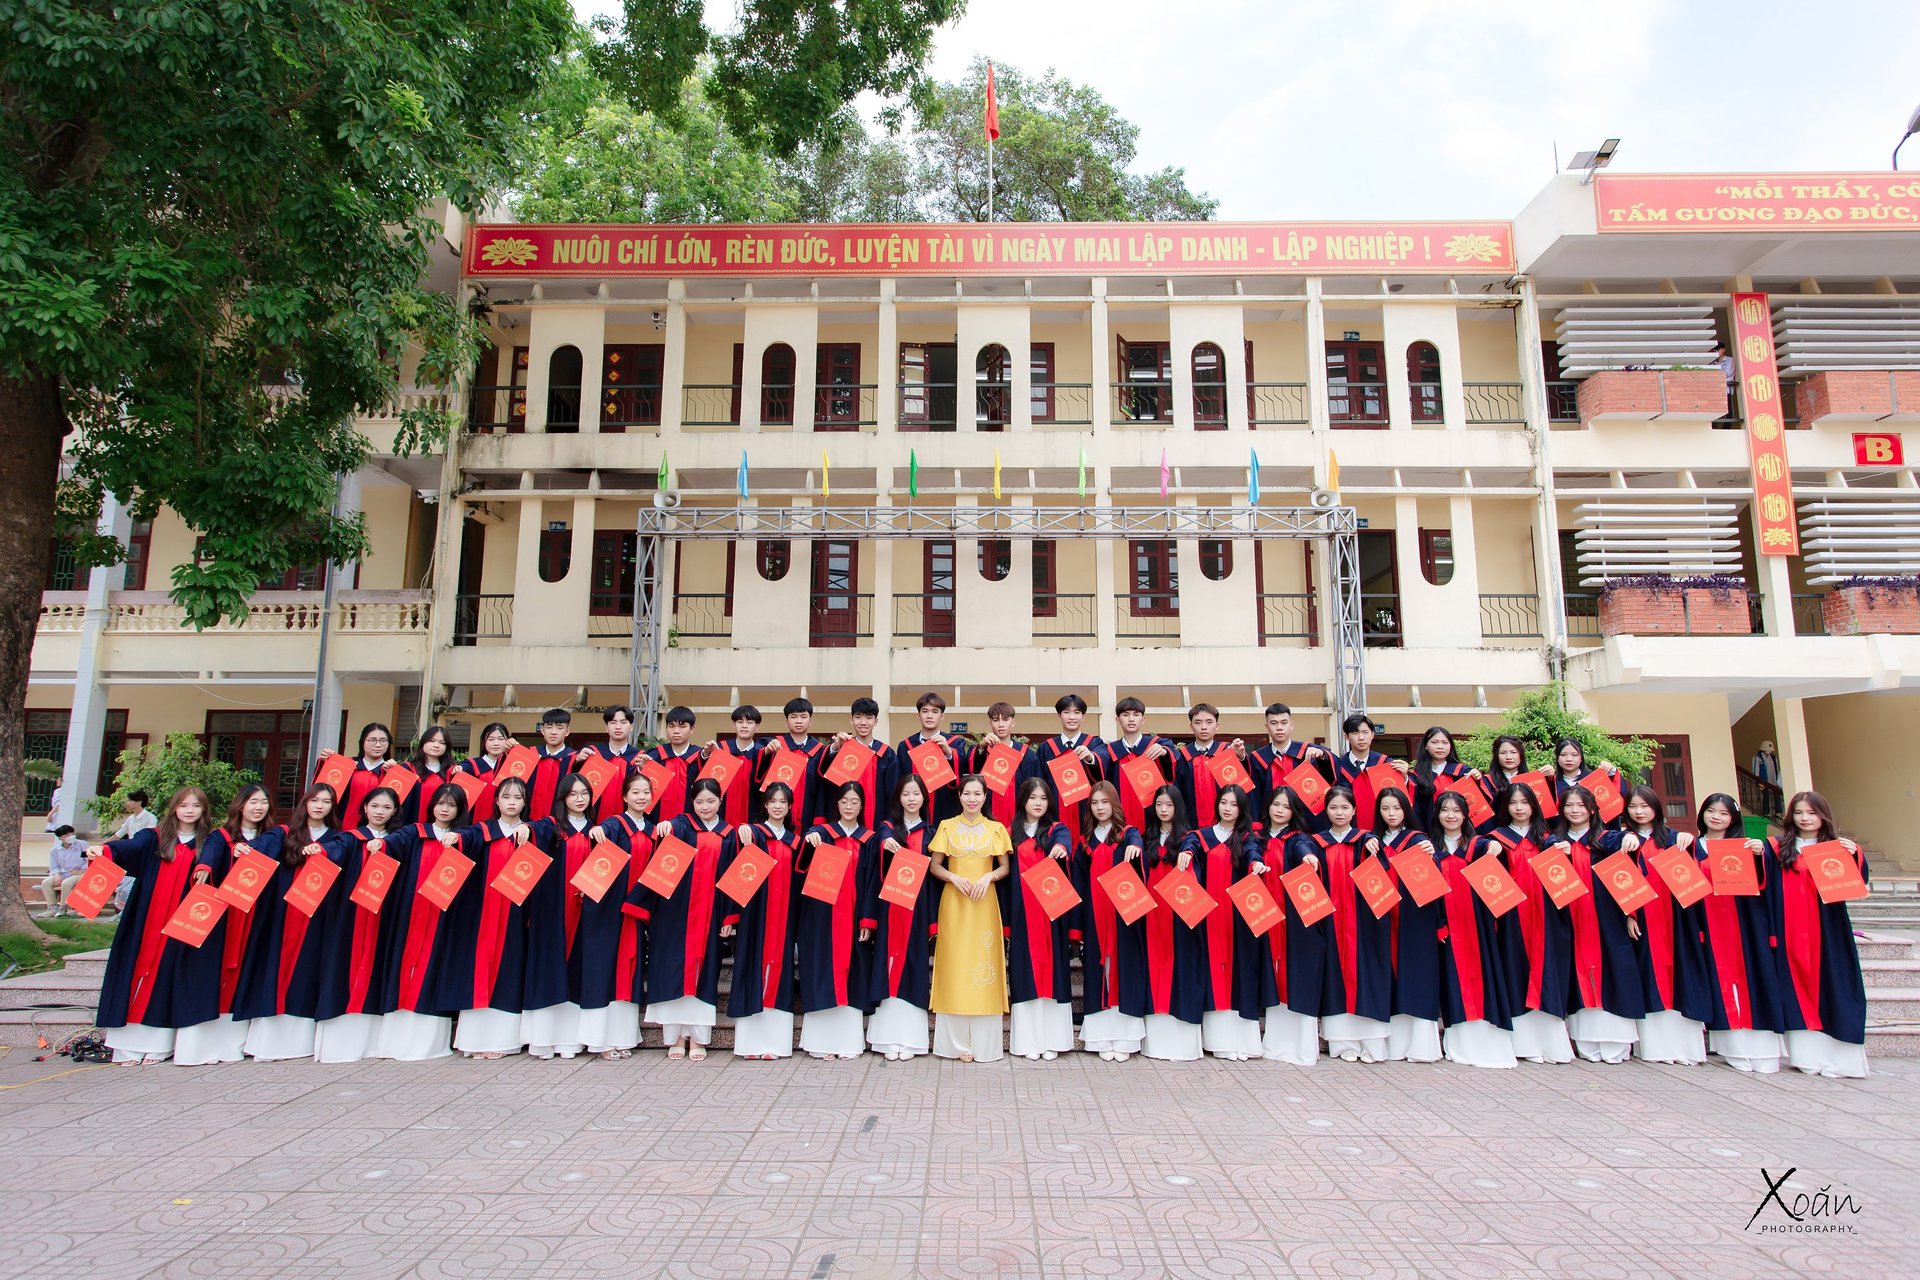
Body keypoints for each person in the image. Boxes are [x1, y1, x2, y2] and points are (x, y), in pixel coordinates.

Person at [90, 787, 213, 1064]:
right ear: (174, 809)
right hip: (146, 920)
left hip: (183, 923)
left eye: (195, 806)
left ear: (204, 810)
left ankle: (159, 1046)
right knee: (134, 972)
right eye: (183, 805)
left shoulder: (208, 843)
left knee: (167, 976)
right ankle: (126, 1047)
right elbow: (127, 848)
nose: (189, 811)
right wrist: (105, 849)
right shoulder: (154, 838)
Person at [235, 784, 345, 1062]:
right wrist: (241, 850)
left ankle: (300, 1042)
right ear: (305, 803)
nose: (320, 806)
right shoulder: (284, 834)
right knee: (276, 968)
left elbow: (342, 855)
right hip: (283, 913)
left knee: (307, 971)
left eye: (327, 801)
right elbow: (257, 849)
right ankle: (268, 1042)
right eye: (315, 800)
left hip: (316, 914)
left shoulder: (337, 838)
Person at [1763, 790, 1869, 1078]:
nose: (1805, 818)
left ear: (1823, 816)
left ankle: (1841, 1058)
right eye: (1799, 813)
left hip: (1828, 932)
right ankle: (1807, 1058)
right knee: (1795, 991)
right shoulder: (1776, 848)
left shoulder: (1837, 848)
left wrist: (1853, 856)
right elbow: (1762, 888)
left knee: (1834, 986)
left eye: (1811, 812)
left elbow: (1858, 885)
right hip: (1789, 932)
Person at [1605, 785, 1712, 1066]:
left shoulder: (1675, 838)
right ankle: (1652, 1047)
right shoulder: (1623, 840)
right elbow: (1619, 882)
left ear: (1656, 808)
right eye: (1633, 807)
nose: (1639, 812)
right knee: (1647, 975)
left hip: (1675, 918)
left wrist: (1691, 843)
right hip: (1643, 918)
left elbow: (1699, 869)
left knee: (1680, 973)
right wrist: (1629, 914)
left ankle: (1686, 1047)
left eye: (1645, 806)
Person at [433, 775, 537, 1060]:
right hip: (482, 915)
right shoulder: (482, 831)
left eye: (517, 798)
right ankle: (474, 1040)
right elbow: (467, 837)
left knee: (509, 970)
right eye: (506, 797)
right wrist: (455, 836)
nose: (511, 803)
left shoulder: (529, 834)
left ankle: (504, 1042)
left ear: (525, 803)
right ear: (496, 801)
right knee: (477, 970)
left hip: (515, 915)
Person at [631, 777, 733, 1061]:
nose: (705, 807)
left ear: (720, 802)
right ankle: (676, 1036)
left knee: (704, 975)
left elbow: (731, 880)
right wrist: (669, 824)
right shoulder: (683, 827)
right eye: (699, 801)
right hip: (676, 915)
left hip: (709, 916)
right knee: (673, 972)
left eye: (711, 801)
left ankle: (698, 1039)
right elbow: (675, 823)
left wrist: (729, 916)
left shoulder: (729, 834)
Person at [182, 785, 281, 1065]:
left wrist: (247, 849)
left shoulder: (273, 836)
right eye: (252, 802)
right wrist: (204, 867)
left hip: (258, 913)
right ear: (240, 805)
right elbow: (210, 854)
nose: (258, 807)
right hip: (226, 913)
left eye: (263, 802)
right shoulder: (221, 837)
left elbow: (272, 851)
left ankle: (242, 1042)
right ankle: (207, 1042)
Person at [1477, 783, 1575, 1065]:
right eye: (1513, 803)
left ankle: (1551, 1044)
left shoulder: (1548, 839)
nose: (1519, 808)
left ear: (1534, 805)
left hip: (1544, 919)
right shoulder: (1496, 840)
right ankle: (1521, 1043)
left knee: (1547, 973)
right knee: (1515, 972)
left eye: (1524, 802)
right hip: (1510, 919)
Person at [374, 780, 467, 1061]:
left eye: (451, 805)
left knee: (434, 969)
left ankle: (430, 1042)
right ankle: (395, 1039)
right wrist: (380, 843)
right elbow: (392, 844)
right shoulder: (415, 833)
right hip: (411, 912)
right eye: (440, 803)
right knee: (404, 967)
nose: (445, 809)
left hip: (444, 918)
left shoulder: (464, 838)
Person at [312, 785, 405, 1064]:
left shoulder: (399, 841)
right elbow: (332, 852)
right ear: (364, 808)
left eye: (387, 808)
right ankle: (340, 1041)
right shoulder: (351, 838)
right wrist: (318, 850)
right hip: (351, 915)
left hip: (384, 916)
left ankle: (374, 1041)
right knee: (344, 967)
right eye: (375, 806)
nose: (380, 812)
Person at [1696, 792, 1786, 1074]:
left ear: (1733, 818)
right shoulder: (1692, 846)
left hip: (1742, 925)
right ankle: (1731, 1046)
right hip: (1709, 925)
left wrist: (1759, 856)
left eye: (1723, 813)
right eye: (1711, 811)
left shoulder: (1744, 846)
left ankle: (1759, 1044)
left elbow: (1763, 884)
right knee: (1718, 982)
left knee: (1751, 979)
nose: (1716, 817)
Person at [928, 775, 1012, 1063]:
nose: (972, 799)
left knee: (983, 962)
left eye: (978, 794)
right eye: (967, 794)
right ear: (960, 796)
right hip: (954, 903)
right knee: (955, 965)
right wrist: (952, 877)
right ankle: (955, 1045)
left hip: (985, 904)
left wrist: (989, 876)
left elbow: (1005, 867)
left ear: (985, 797)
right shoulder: (946, 826)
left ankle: (984, 1045)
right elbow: (934, 865)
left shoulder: (997, 828)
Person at [1430, 791, 1516, 1069]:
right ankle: (1459, 1045)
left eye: (1456, 810)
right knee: (1451, 982)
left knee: (1485, 977)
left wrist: (1496, 849)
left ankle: (1490, 1042)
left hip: (1477, 928)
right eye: (1445, 810)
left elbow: (1496, 869)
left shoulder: (1479, 845)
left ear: (1466, 814)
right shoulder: (1430, 849)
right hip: (1448, 929)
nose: (1451, 815)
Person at [1558, 786, 1645, 1063]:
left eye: (1580, 806)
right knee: (1577, 977)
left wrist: (1631, 913)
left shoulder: (1606, 839)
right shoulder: (1557, 842)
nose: (1575, 811)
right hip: (1572, 920)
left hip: (1606, 920)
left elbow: (1627, 875)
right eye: (1569, 806)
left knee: (1614, 972)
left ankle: (1617, 1043)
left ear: (1592, 810)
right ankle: (1585, 1042)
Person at [1186, 784, 1272, 1061]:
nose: (1227, 808)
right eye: (1223, 802)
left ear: (1241, 809)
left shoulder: (1247, 837)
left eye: (1234, 804)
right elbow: (1190, 843)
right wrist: (1186, 852)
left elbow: (1252, 854)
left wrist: (1256, 865)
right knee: (1211, 974)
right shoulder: (1203, 835)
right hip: (1208, 917)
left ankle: (1243, 1042)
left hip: (1237, 918)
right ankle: (1217, 1040)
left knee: (1240, 974)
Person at [1311, 786, 1395, 1063]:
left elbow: (1382, 878)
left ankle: (1372, 1044)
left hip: (1363, 923)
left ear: (1355, 811)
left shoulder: (1365, 840)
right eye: (1333, 808)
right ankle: (1342, 1043)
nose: (1339, 813)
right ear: (1326, 811)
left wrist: (1374, 847)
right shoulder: (1316, 843)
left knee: (1367, 973)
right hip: (1331, 920)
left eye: (1345, 808)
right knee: (1335, 976)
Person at [570, 772, 650, 1060]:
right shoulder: (613, 826)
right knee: (603, 970)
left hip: (635, 912)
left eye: (646, 792)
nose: (641, 797)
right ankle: (600, 1040)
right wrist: (597, 831)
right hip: (606, 910)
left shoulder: (652, 830)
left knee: (628, 971)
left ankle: (622, 1037)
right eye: (635, 792)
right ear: (625, 797)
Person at [797, 780, 876, 1060]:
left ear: (862, 805)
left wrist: (868, 920)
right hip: (822, 921)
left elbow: (872, 884)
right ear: (837, 804)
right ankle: (820, 1043)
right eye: (844, 801)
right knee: (823, 974)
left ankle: (847, 1043)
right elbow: (803, 861)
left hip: (854, 920)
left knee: (851, 978)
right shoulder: (823, 833)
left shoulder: (869, 839)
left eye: (855, 801)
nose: (849, 806)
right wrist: (810, 840)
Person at [519, 773, 594, 1060]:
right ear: (563, 797)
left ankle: (571, 1040)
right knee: (548, 967)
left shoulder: (594, 830)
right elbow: (532, 830)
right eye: (573, 794)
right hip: (551, 911)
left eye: (584, 793)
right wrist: (525, 829)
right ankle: (542, 1039)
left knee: (575, 970)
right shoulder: (551, 826)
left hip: (582, 912)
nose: (579, 799)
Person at [1005, 777, 1076, 1060]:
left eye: (1043, 798)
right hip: (1022, 914)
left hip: (1050, 914)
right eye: (1033, 797)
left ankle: (1053, 1041)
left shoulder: (1057, 830)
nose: (1038, 803)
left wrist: (1061, 850)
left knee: (1053, 974)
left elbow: (1065, 842)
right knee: (1025, 976)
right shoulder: (1011, 832)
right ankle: (1028, 1042)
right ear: (1023, 800)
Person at [867, 774, 937, 1061]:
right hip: (889, 909)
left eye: (916, 794)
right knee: (887, 966)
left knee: (913, 968)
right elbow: (874, 869)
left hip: (918, 911)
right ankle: (885, 1040)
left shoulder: (931, 833)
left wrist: (934, 921)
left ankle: (911, 1040)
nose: (911, 799)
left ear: (923, 798)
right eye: (906, 794)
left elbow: (934, 881)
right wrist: (885, 844)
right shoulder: (886, 830)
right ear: (898, 798)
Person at [728, 780, 799, 1060]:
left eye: (783, 801)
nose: (778, 806)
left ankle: (775, 1044)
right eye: (773, 801)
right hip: (756, 917)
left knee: (779, 975)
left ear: (790, 806)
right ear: (765, 805)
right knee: (753, 970)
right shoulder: (753, 835)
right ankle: (750, 1044)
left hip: (784, 919)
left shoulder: (795, 841)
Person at [1076, 781, 1147, 1062]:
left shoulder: (1128, 835)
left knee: (1123, 973)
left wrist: (1135, 848)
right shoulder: (1085, 841)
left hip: (1122, 919)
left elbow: (1138, 843)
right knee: (1098, 975)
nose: (1100, 808)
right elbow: (1080, 885)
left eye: (1105, 802)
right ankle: (1100, 1038)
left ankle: (1126, 1039)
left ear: (1114, 804)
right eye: (1095, 803)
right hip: (1096, 917)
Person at [1375, 787, 1442, 1063]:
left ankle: (1421, 1047)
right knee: (1390, 975)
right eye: (1385, 809)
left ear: (1406, 810)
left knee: (1416, 976)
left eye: (1397, 808)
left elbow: (1434, 882)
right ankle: (1394, 1044)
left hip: (1415, 918)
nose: (1391, 814)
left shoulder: (1417, 840)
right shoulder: (1374, 841)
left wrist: (1432, 856)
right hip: (1384, 917)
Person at [1139, 784, 1205, 1062]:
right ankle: (1155, 1043)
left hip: (1178, 914)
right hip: (1153, 914)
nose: (1164, 810)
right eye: (1159, 805)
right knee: (1154, 969)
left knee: (1179, 969)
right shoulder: (1147, 838)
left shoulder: (1189, 838)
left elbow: (1192, 847)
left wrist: (1187, 852)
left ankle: (1182, 1045)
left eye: (1169, 805)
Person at [1258, 786, 1316, 1066]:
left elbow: (1304, 849)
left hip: (1290, 919)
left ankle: (1301, 1046)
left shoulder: (1297, 840)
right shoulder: (1256, 837)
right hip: (1262, 916)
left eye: (1286, 806)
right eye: (1276, 804)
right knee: (1272, 974)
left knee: (1293, 975)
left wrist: (1308, 857)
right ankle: (1274, 1042)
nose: (1280, 810)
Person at [1093, 696, 1171, 833]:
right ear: (1117, 720)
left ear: (1143, 719)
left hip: (1152, 816)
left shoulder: (1157, 746)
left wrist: (1165, 752)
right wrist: (1090, 758)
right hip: (1120, 818)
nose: (1131, 719)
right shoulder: (1110, 751)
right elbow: (1098, 764)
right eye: (1125, 715)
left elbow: (1172, 768)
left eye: (1136, 715)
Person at [1034, 694, 1104, 835]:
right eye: (1066, 712)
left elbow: (1102, 775)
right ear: (1059, 716)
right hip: (1055, 813)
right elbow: (1039, 783)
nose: (1072, 717)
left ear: (1083, 717)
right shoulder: (1046, 748)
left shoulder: (1094, 744)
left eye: (1077, 712)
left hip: (1086, 812)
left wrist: (1090, 758)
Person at [1326, 714, 1408, 830]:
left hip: (1380, 827)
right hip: (1348, 829)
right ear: (1346, 737)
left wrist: (1403, 778)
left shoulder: (1385, 764)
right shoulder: (1338, 766)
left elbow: (1400, 798)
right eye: (1355, 733)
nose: (1361, 737)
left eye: (1365, 732)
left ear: (1372, 735)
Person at [969, 701, 1041, 829]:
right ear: (990, 723)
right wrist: (980, 747)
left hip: (1019, 821)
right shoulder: (982, 752)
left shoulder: (1026, 755)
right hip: (985, 818)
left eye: (1006, 720)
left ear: (1012, 722)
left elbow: (1035, 789)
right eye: (996, 720)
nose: (1001, 724)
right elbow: (969, 772)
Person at [1170, 703, 1240, 834]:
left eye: (1209, 722)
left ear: (1217, 726)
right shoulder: (1182, 756)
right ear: (1191, 726)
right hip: (1190, 827)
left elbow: (1241, 789)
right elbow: (1177, 794)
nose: (1204, 727)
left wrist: (1240, 757)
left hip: (1227, 827)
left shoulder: (1227, 753)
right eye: (1198, 722)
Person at [830, 697, 897, 831]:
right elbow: (829, 785)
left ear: (876, 721)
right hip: (843, 824)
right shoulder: (843, 749)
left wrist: (889, 824)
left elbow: (893, 794)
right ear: (851, 719)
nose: (863, 722)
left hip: (878, 822)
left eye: (869, 717)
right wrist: (835, 748)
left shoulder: (886, 754)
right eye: (858, 717)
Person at [899, 692, 966, 826]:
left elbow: (964, 771)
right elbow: (901, 780)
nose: (929, 716)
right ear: (918, 716)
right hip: (915, 810)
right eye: (925, 711)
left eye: (935, 711)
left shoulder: (954, 743)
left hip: (945, 807)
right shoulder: (906, 746)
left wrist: (948, 753)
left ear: (942, 716)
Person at [577, 706, 644, 824]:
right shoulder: (593, 754)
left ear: (631, 727)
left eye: (623, 722)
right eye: (613, 722)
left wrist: (643, 769)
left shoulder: (639, 758)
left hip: (627, 824)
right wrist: (577, 761)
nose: (618, 727)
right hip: (592, 820)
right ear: (606, 728)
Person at [1407, 726, 1477, 832]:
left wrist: (1477, 778)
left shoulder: (1462, 772)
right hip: (1430, 831)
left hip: (1460, 832)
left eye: (1445, 743)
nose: (1440, 747)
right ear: (1426, 745)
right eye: (1434, 742)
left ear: (1450, 746)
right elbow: (1415, 808)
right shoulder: (1417, 776)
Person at [708, 705, 765, 828]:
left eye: (749, 722)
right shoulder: (720, 750)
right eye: (740, 722)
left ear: (757, 726)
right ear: (733, 724)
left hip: (753, 816)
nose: (744, 726)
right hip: (722, 814)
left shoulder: (763, 754)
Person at [645, 706, 702, 823]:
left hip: (690, 822)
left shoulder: (700, 758)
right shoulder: (654, 756)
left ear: (692, 729)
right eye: (671, 726)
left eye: (682, 726)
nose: (676, 731)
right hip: (656, 820)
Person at [109, 789, 158, 912]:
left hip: (143, 857)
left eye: (131, 800)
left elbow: (149, 838)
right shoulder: (130, 819)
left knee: (135, 885)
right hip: (130, 855)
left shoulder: (150, 818)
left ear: (139, 802)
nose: (128, 803)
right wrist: (101, 845)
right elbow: (118, 835)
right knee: (122, 885)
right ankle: (121, 911)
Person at [454, 722, 514, 822]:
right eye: (491, 739)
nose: (496, 743)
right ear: (484, 742)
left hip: (505, 819)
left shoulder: (510, 766)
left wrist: (515, 750)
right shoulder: (473, 765)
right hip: (475, 819)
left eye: (500, 739)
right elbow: (461, 769)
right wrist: (458, 769)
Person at [528, 707, 577, 819]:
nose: (553, 732)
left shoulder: (574, 759)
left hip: (562, 821)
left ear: (567, 731)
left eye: (559, 728)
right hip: (528, 820)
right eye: (549, 727)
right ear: (542, 730)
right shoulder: (531, 755)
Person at [401, 725, 454, 826]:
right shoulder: (407, 770)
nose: (436, 745)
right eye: (432, 741)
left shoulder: (452, 772)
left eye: (442, 743)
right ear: (423, 743)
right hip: (410, 827)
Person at [40, 825, 88, 916]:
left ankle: (63, 908)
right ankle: (52, 907)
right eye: (68, 835)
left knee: (66, 883)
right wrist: (57, 874)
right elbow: (54, 867)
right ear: (61, 838)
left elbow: (89, 860)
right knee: (46, 882)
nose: (72, 837)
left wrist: (80, 871)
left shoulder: (82, 845)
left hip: (83, 873)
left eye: (72, 834)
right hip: (67, 873)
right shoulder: (55, 850)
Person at [1750, 741, 1781, 817]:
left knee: (1777, 795)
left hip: (1773, 781)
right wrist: (1757, 779)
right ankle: (1766, 812)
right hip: (1763, 781)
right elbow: (1755, 769)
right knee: (1766, 795)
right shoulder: (1757, 758)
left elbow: (1777, 768)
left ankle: (1778, 812)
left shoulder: (1773, 758)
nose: (1769, 751)